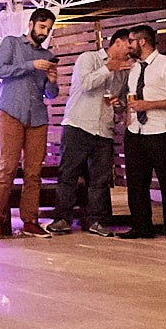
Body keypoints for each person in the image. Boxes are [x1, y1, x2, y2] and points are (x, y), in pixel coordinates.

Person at [51, 29, 132, 234]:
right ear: (118, 42)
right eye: (129, 44)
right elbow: (86, 84)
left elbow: (121, 100)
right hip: (78, 124)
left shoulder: (124, 71)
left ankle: (98, 222)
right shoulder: (89, 58)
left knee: (100, 179)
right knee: (69, 174)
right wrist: (107, 68)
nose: (131, 50)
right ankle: (62, 219)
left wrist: (119, 104)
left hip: (103, 129)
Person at [0, 8, 59, 237]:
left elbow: (51, 95)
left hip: (37, 116)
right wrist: (31, 65)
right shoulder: (11, 43)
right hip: (11, 112)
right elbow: (0, 71)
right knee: (7, 167)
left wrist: (51, 81)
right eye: (41, 27)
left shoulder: (48, 56)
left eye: (48, 29)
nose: (44, 32)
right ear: (31, 24)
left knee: (33, 172)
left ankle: (30, 220)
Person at [120, 25, 166, 241]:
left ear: (142, 42)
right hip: (136, 131)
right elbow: (133, 98)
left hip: (162, 130)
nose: (127, 46)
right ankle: (141, 226)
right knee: (136, 182)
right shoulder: (135, 69)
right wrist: (127, 116)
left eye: (130, 41)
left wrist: (148, 105)